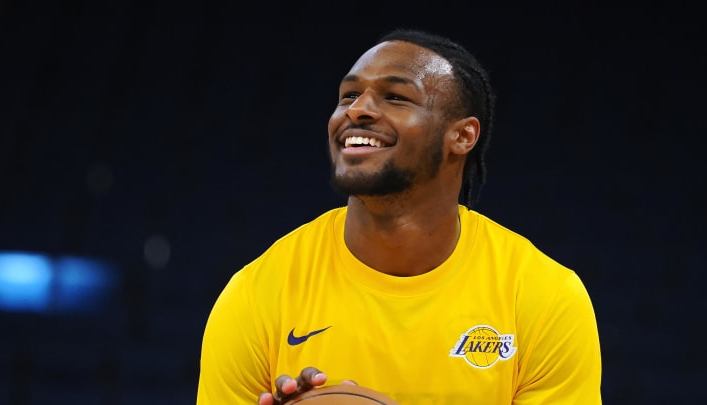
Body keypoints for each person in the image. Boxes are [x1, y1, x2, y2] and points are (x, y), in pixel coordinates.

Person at [196, 28, 602, 404]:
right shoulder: (258, 294)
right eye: (348, 95)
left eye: (395, 97)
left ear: (462, 136)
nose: (358, 110)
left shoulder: (543, 298)